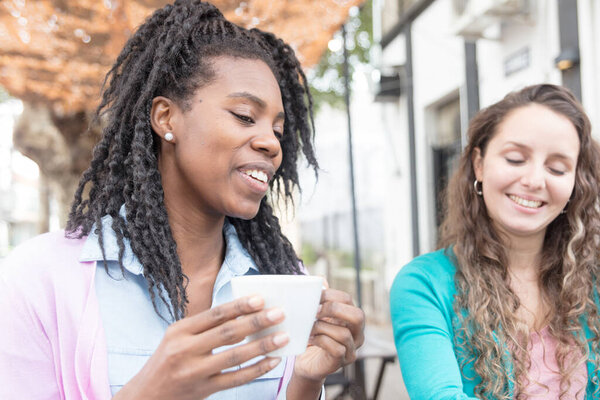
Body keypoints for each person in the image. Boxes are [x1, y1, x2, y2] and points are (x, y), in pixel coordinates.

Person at [0, 1, 365, 399]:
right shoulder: (39, 278)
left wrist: (307, 380)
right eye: (245, 115)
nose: (270, 143)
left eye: (277, 129)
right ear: (165, 118)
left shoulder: (283, 278)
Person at [390, 84, 600, 399]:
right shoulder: (423, 285)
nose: (533, 180)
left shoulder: (593, 281)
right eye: (516, 159)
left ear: (575, 184)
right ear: (479, 164)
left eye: (557, 168)